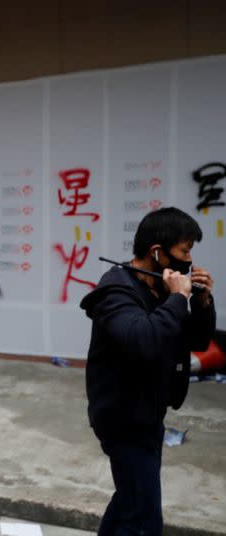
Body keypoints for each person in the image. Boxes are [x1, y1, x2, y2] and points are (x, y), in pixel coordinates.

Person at [80, 207, 216, 535]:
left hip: (149, 412)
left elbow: (196, 339)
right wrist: (177, 298)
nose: (188, 260)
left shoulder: (162, 289)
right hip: (121, 417)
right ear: (157, 251)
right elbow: (145, 341)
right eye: (183, 252)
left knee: (132, 500)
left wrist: (200, 301)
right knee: (144, 513)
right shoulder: (116, 291)